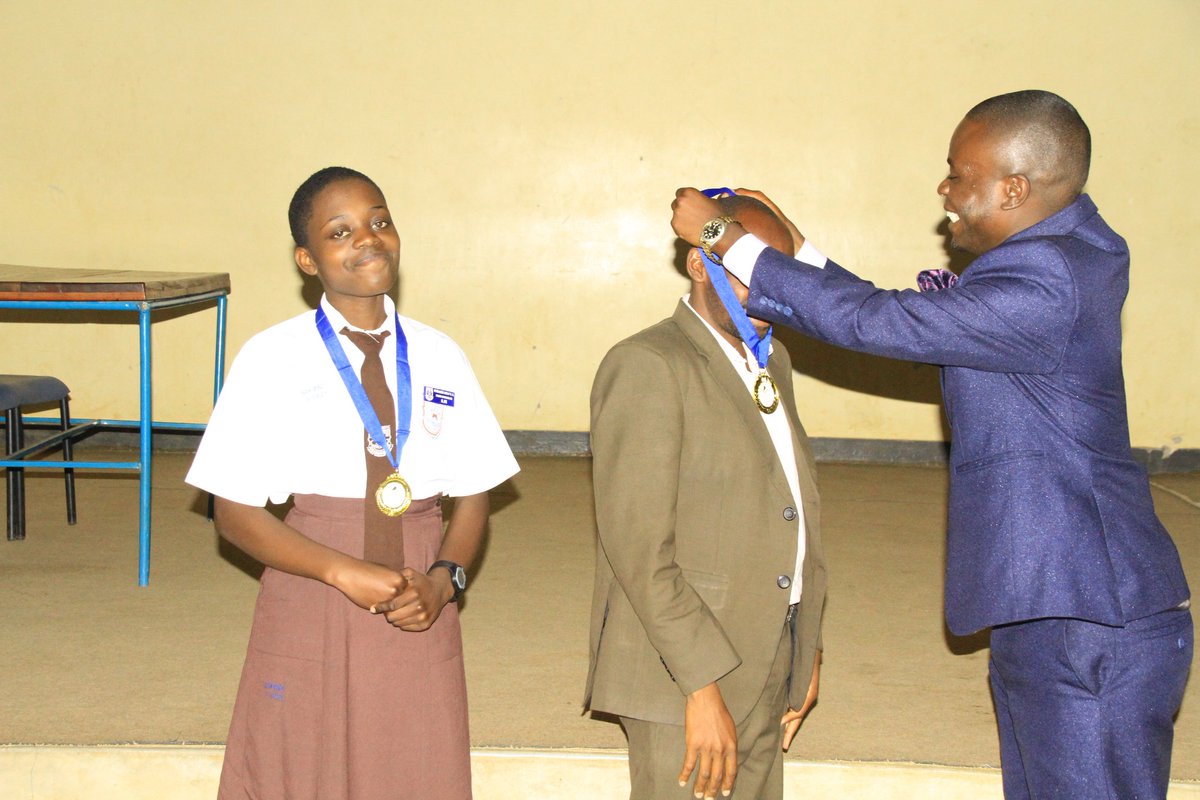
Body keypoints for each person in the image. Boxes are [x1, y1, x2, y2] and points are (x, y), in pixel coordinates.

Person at [669, 90, 1192, 800]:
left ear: (1014, 187)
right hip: (1051, 600)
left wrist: (729, 243)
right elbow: (912, 321)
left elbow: (885, 325)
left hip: (1087, 619)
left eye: (958, 172)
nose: (944, 190)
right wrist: (798, 250)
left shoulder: (1050, 277)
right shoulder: (1060, 254)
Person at [186, 166, 518, 800]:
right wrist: (341, 571)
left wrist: (446, 581)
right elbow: (234, 513)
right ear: (307, 259)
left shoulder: (440, 353)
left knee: (414, 760)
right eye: (340, 232)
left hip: (418, 586)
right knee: (304, 759)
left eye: (379, 221)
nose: (368, 239)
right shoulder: (271, 357)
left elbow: (474, 493)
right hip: (312, 581)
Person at [586, 194, 826, 800]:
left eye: (781, 274)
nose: (770, 293)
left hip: (768, 648)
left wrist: (806, 647)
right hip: (684, 675)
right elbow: (638, 551)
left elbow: (791, 506)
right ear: (700, 264)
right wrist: (700, 688)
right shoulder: (648, 364)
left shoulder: (774, 362)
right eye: (750, 271)